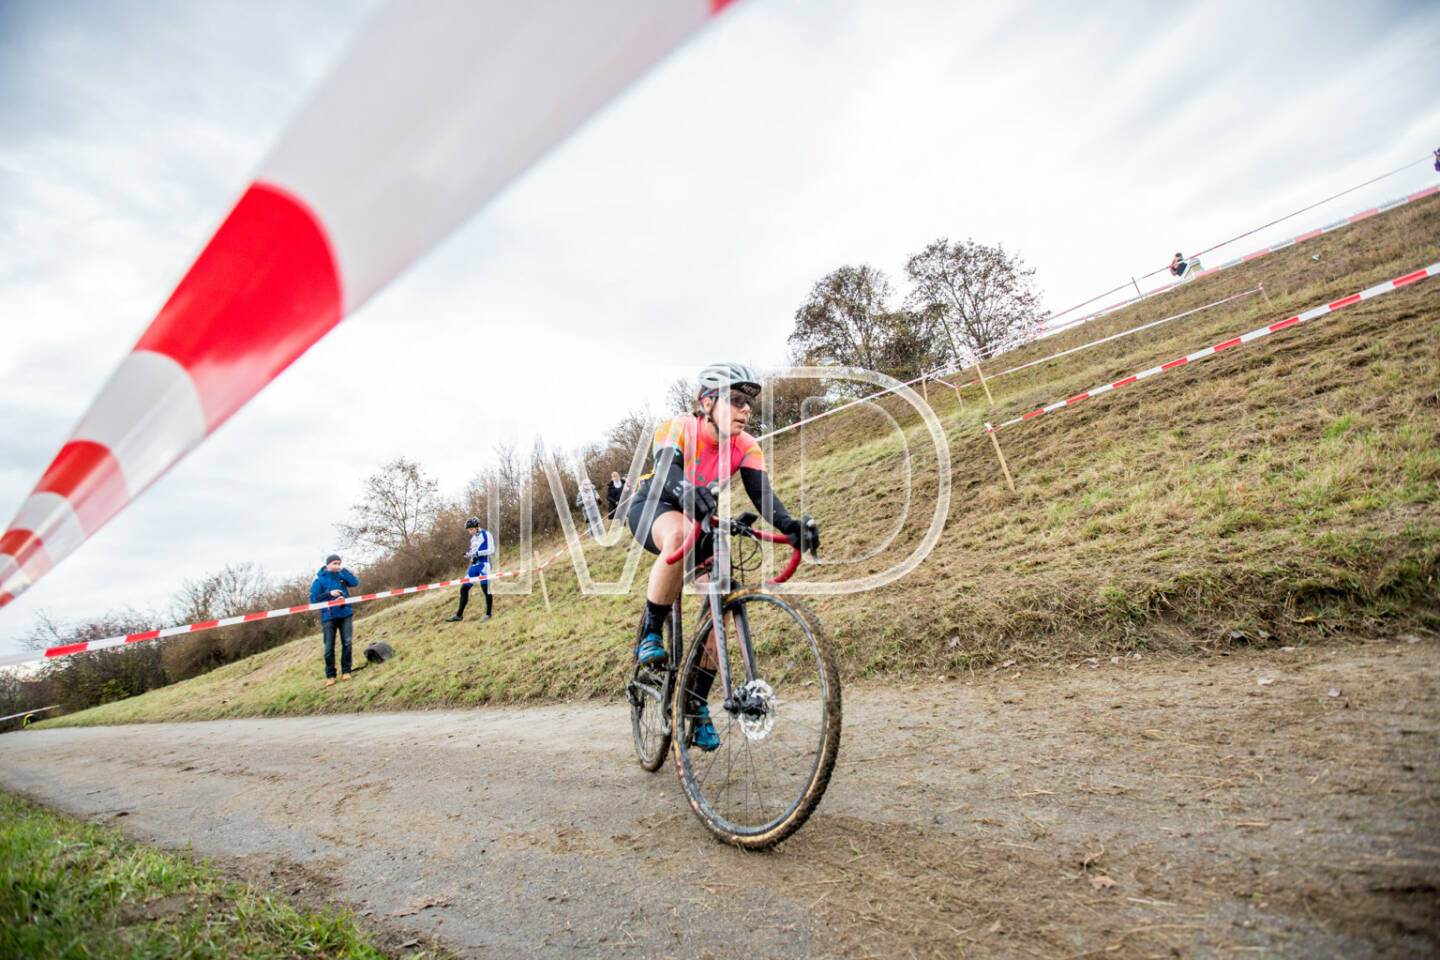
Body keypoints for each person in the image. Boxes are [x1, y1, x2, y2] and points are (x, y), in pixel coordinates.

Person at [626, 361, 819, 751]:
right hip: (654, 505)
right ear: (706, 403)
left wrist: (790, 526)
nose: (746, 409)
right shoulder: (678, 426)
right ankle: (650, 632)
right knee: (679, 533)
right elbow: (667, 471)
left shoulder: (746, 445)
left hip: (701, 513)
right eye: (735, 399)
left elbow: (763, 496)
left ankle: (696, 706)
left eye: (748, 403)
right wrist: (685, 494)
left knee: (722, 602)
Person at [310, 554, 359, 686]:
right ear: (327, 566)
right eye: (334, 564)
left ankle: (346, 671)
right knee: (329, 647)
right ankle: (330, 675)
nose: (337, 565)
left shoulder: (342, 575)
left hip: (345, 613)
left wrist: (344, 571)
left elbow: (355, 583)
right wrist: (329, 594)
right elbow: (314, 599)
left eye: (339, 563)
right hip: (328, 617)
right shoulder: (319, 580)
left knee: (347, 643)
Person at [446, 517, 495, 622]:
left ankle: (488, 614)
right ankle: (459, 615)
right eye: (468, 530)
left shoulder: (487, 535)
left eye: (471, 529)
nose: (470, 531)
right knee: (464, 589)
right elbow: (473, 552)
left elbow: (491, 550)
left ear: (477, 527)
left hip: (484, 564)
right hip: (474, 564)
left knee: (485, 589)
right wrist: (469, 555)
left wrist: (477, 553)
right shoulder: (472, 539)